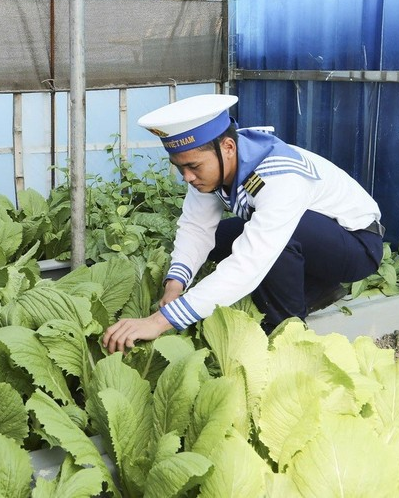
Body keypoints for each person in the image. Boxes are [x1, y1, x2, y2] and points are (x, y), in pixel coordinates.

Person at [103, 94, 384, 352]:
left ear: (227, 147)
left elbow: (249, 262)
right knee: (221, 239)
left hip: (357, 246)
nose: (186, 177)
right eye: (180, 167)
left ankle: (286, 331)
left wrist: (160, 321)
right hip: (314, 237)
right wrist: (174, 286)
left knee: (271, 244)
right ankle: (316, 287)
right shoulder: (214, 167)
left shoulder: (280, 176)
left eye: (193, 167)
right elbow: (196, 229)